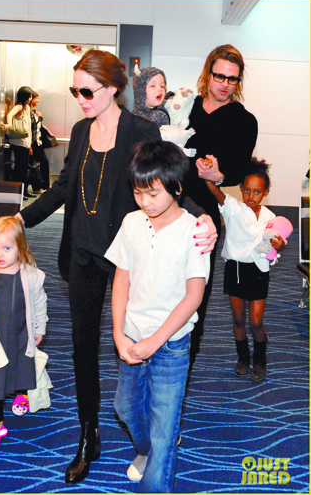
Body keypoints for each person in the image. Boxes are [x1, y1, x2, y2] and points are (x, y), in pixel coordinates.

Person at [15, 49, 216, 485]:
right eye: (75, 91)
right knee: (83, 348)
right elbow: (64, 187)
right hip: (83, 252)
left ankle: (159, 423)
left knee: (143, 334)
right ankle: (89, 435)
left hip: (130, 253)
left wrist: (204, 218)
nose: (80, 99)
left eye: (87, 92)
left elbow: (170, 182)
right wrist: (20, 219)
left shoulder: (141, 130)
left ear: (113, 89)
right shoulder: (80, 131)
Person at [105, 140, 210, 492]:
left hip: (171, 343)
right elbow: (122, 280)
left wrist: (155, 341)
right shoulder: (132, 222)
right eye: (138, 193)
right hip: (132, 336)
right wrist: (118, 333)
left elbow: (194, 296)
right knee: (125, 407)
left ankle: (157, 473)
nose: (144, 202)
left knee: (165, 426)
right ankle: (146, 450)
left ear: (177, 188)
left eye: (152, 194)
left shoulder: (194, 231)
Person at [184, 44, 259, 365]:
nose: (225, 84)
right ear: (208, 73)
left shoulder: (245, 120)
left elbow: (240, 168)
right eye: (219, 76)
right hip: (164, 207)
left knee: (196, 285)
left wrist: (220, 174)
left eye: (233, 79)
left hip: (204, 210)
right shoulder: (185, 105)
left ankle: (188, 354)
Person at [200, 156, 284, 382]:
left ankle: (260, 358)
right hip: (235, 270)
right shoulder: (233, 208)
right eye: (247, 191)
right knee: (238, 319)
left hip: (258, 272)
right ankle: (243, 358)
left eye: (257, 192)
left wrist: (279, 244)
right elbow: (214, 190)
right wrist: (209, 174)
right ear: (241, 189)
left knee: (255, 321)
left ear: (265, 193)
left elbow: (278, 241)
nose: (251, 196)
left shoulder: (270, 217)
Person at [0, 216, 49, 448]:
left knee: (21, 367)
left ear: (20, 248)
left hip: (20, 333)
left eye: (7, 248)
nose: (0, 254)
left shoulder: (31, 275)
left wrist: (39, 327)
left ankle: (22, 393)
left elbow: (39, 303)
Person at [0, 86, 36, 200]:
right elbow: (9, 115)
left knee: (24, 168)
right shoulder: (19, 106)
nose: (30, 99)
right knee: (20, 168)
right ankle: (18, 191)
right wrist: (9, 125)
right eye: (29, 97)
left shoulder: (27, 108)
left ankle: (24, 190)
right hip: (18, 142)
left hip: (25, 142)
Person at [28, 90, 50, 193]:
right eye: (36, 98)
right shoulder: (28, 112)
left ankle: (43, 186)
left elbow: (37, 127)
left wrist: (39, 118)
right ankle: (39, 187)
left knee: (40, 163)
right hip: (33, 143)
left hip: (38, 142)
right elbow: (30, 128)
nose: (38, 100)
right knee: (36, 164)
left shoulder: (34, 111)